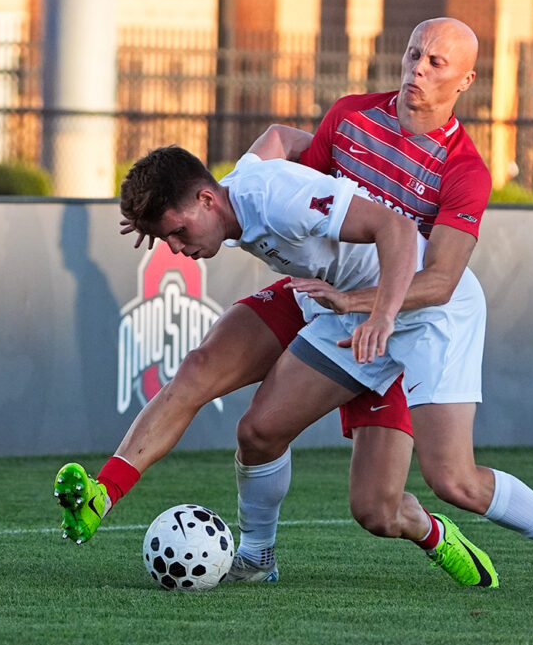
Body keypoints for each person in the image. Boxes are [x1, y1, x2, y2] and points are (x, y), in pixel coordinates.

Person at [58, 16, 533, 601]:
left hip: (428, 313)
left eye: (436, 62)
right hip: (345, 304)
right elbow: (279, 141)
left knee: (451, 481)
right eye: (413, 54)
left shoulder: (455, 171)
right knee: (260, 430)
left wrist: (372, 310)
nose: (418, 68)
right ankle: (242, 551)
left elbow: (429, 267)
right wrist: (161, 211)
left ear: (466, 80)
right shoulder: (343, 122)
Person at [57, 141, 500, 590]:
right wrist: (155, 214)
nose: (174, 246)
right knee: (214, 386)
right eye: (165, 236)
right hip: (314, 297)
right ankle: (113, 499)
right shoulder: (230, 194)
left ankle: (434, 533)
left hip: (380, 320)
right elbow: (279, 136)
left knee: (378, 512)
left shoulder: (278, 196)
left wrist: (383, 312)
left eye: (177, 231)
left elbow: (394, 227)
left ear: (206, 200)